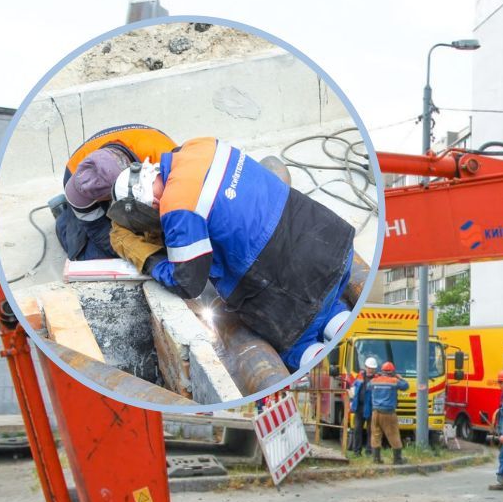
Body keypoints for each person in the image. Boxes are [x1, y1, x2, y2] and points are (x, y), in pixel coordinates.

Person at [111, 137, 357, 370]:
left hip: (295, 286)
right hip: (334, 244)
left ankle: (333, 380)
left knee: (298, 344)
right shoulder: (198, 146)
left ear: (150, 202)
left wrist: (150, 259)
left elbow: (187, 283)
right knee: (329, 306)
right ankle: (352, 337)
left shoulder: (177, 208)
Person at [52, 124, 176, 263]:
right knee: (94, 257)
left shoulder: (166, 158)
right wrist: (136, 254)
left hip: (147, 158)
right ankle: (65, 218)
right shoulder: (76, 175)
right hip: (90, 185)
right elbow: (99, 231)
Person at [368, 362, 407, 465]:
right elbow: (405, 386)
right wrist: (400, 378)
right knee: (393, 435)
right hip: (388, 413)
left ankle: (376, 459)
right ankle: (397, 459)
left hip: (375, 412)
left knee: (376, 435)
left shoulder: (374, 381)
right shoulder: (394, 381)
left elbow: (368, 386)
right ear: (392, 372)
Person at [348, 357, 378, 455]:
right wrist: (351, 402)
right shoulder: (359, 376)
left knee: (371, 430)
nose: (370, 370)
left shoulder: (377, 379)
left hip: (371, 407)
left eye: (372, 368)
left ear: (375, 369)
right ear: (365, 367)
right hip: (359, 407)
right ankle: (357, 451)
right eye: (369, 368)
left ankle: (369, 451)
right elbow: (353, 389)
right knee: (357, 429)